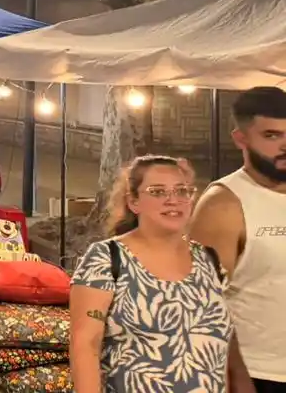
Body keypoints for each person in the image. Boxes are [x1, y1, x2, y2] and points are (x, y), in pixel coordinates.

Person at [70, 155, 230, 392]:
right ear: (133, 202)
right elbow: (85, 346)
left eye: (182, 191)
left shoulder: (210, 261)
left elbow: (223, 352)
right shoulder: (106, 259)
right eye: (157, 192)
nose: (172, 200)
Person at [190, 87, 286, 393]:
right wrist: (235, 379)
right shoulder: (223, 205)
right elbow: (200, 305)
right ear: (241, 139)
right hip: (261, 375)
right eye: (271, 135)